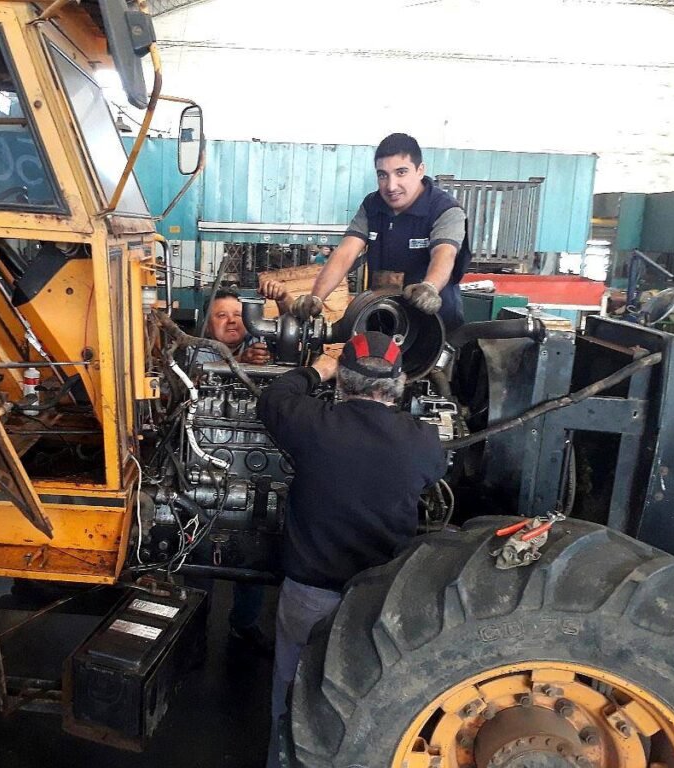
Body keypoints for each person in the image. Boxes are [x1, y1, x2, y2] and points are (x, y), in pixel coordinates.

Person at [256, 332, 447, 768]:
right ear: (399, 383)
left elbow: (273, 398)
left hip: (310, 595)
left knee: (291, 697)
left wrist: (317, 370)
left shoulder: (314, 424)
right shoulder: (421, 440)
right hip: (377, 602)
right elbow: (436, 472)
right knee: (366, 701)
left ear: (342, 379)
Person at [289, 133, 471, 331]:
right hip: (384, 323)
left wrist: (430, 287)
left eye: (401, 172)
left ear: (420, 170)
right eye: (383, 175)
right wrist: (316, 297)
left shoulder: (445, 209)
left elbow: (444, 253)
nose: (391, 186)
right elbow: (345, 253)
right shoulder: (372, 205)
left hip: (436, 327)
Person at [185, 286, 274, 655]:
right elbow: (191, 382)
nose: (232, 321)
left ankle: (244, 624)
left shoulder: (266, 350)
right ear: (208, 325)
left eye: (238, 315)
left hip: (256, 472)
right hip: (202, 470)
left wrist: (262, 363)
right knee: (197, 555)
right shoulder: (196, 354)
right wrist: (242, 365)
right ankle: (193, 630)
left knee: (254, 556)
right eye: (221, 316)